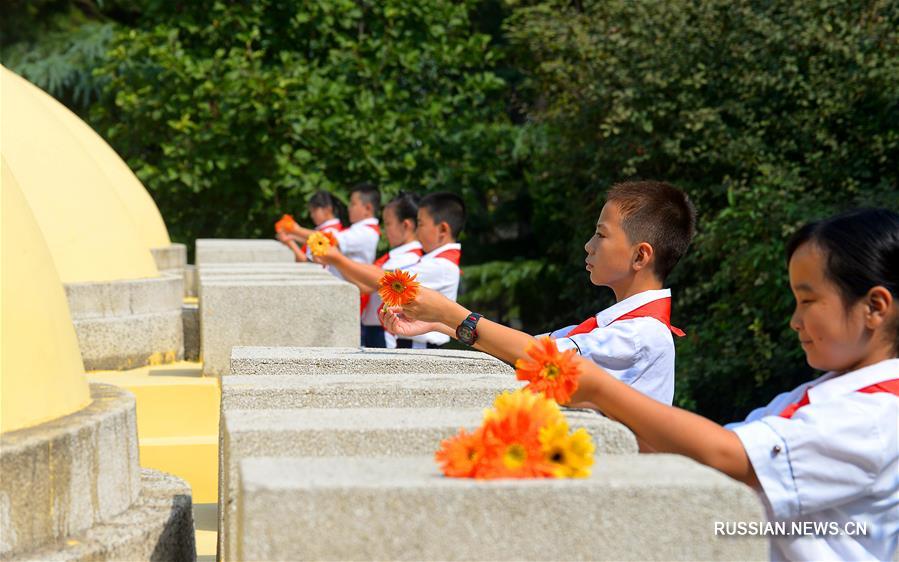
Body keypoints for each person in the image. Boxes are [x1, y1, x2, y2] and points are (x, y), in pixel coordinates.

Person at [405, 208, 899, 561]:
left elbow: (731, 456)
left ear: (875, 307)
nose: (795, 321)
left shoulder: (872, 418)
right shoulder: (833, 393)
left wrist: (454, 317)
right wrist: (445, 324)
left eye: (808, 301)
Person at [382, 181, 696, 403]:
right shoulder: (616, 328)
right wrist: (440, 324)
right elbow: (527, 347)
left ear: (640, 256)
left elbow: (541, 359)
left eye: (601, 235)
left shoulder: (641, 335)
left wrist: (450, 312)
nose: (589, 245)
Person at [318, 191, 466, 348]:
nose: (417, 230)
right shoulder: (435, 262)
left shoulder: (442, 266)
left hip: (419, 346)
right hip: (411, 342)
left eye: (421, 224)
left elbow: (388, 280)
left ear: (443, 229)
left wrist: (338, 259)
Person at [315, 192, 423, 347]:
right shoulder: (396, 257)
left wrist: (337, 260)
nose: (385, 230)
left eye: (388, 223)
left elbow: (367, 285)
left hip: (384, 331)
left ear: (406, 225)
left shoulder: (408, 260)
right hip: (375, 327)